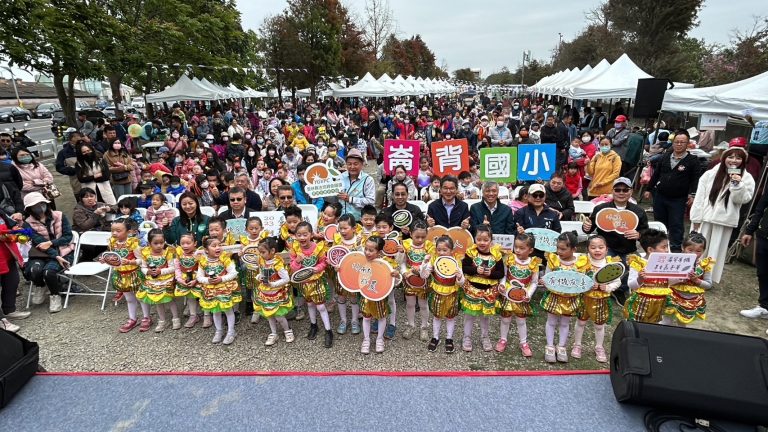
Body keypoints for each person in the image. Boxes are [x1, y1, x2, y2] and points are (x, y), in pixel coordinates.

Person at [691, 145, 754, 283]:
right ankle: (691, 275)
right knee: (698, 248)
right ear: (724, 158)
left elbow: (743, 200)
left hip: (724, 220)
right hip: (706, 218)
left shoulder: (747, 178)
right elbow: (700, 197)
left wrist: (737, 184)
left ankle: (708, 279)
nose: (734, 160)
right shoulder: (710, 174)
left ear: (743, 161)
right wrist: (696, 218)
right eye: (730, 157)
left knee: (715, 251)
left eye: (738, 158)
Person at [582, 177, 649, 302]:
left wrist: (639, 234)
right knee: (603, 263)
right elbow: (589, 228)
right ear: (612, 191)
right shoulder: (601, 209)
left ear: (631, 191)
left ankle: (620, 291)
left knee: (630, 266)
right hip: (607, 248)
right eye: (618, 190)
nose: (621, 193)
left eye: (625, 190)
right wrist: (586, 226)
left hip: (628, 248)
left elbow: (646, 232)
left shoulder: (638, 211)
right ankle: (601, 287)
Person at [644, 132, 702, 252]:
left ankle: (675, 248)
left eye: (682, 142)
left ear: (687, 144)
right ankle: (659, 246)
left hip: (678, 199)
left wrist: (693, 194)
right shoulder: (665, 156)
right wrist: (649, 189)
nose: (679, 144)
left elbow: (695, 179)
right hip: (660, 195)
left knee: (676, 224)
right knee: (660, 223)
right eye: (677, 142)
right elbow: (656, 174)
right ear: (673, 142)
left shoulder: (692, 160)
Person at [22, 192, 75, 313]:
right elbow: (39, 242)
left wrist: (51, 243)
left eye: (41, 203)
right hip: (40, 253)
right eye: (35, 205)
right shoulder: (27, 223)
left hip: (63, 251)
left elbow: (68, 236)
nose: (40, 207)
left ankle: (55, 296)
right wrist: (55, 255)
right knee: (34, 270)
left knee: (49, 272)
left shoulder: (60, 216)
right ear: (29, 209)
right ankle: (39, 285)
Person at [572, 235, 622, 363]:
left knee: (599, 325)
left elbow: (617, 282)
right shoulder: (583, 262)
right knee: (581, 322)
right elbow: (577, 278)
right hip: (585, 298)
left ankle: (599, 347)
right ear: (588, 249)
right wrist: (586, 285)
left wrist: (607, 287)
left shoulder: (611, 264)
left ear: (606, 249)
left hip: (601, 300)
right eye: (593, 247)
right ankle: (577, 345)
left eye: (601, 247)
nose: (597, 250)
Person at [541, 232, 584, 363]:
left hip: (570, 298)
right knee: (551, 321)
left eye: (563, 249)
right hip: (554, 296)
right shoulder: (553, 260)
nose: (559, 251)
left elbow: (582, 281)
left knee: (565, 323)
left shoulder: (581, 263)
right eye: (558, 248)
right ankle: (549, 345)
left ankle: (561, 346)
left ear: (574, 249)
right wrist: (544, 281)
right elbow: (547, 277)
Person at [461, 224, 504, 353]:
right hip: (472, 289)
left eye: (486, 240)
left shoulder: (496, 254)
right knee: (469, 316)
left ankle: (485, 337)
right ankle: (467, 337)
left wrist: (490, 273)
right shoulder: (471, 252)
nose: (482, 242)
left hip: (489, 291)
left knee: (485, 317)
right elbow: (464, 268)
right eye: (479, 239)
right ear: (475, 239)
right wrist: (475, 270)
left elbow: (501, 273)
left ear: (491, 240)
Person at [289, 221, 333, 348]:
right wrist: (297, 261)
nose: (302, 238)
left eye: (305, 234)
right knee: (309, 304)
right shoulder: (295, 248)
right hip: (304, 282)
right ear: (295, 236)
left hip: (316, 281)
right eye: (299, 235)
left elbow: (323, 262)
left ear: (311, 235)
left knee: (321, 306)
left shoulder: (318, 247)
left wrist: (317, 269)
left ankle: (328, 330)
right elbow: (293, 268)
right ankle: (313, 325)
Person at [102, 218, 149, 332]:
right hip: (121, 274)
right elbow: (113, 257)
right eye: (112, 230)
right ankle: (132, 318)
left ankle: (146, 317)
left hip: (133, 274)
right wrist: (105, 259)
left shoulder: (133, 244)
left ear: (128, 232)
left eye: (118, 231)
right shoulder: (112, 243)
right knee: (129, 298)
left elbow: (141, 260)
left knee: (141, 297)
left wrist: (130, 262)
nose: (114, 233)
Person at [420, 235, 465, 353]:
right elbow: (423, 275)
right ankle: (435, 337)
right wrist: (424, 263)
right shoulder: (434, 260)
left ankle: (449, 338)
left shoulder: (456, 261)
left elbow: (461, 283)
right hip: (437, 292)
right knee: (437, 316)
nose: (441, 252)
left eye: (445, 250)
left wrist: (459, 276)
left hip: (452, 293)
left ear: (451, 250)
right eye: (439, 250)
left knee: (451, 317)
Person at [496, 233, 539, 357]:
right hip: (507, 295)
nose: (518, 250)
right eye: (516, 247)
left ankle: (523, 343)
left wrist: (529, 294)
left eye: (522, 248)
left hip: (522, 297)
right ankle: (503, 339)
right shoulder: (509, 259)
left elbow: (535, 282)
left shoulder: (533, 263)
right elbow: (504, 275)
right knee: (505, 319)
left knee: (521, 321)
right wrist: (502, 285)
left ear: (530, 250)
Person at [197, 236, 241, 345]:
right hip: (211, 290)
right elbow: (199, 277)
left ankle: (231, 331)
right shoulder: (203, 261)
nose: (218, 248)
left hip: (224, 289)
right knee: (215, 312)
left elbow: (233, 273)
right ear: (206, 250)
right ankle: (219, 331)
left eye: (219, 245)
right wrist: (208, 280)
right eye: (214, 246)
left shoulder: (225, 259)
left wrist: (221, 278)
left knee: (228, 310)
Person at [663, 232, 712, 326]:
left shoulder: (704, 265)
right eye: (690, 250)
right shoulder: (675, 261)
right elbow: (666, 281)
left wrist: (697, 281)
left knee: (682, 323)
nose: (694, 254)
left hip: (691, 301)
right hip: (672, 295)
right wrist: (679, 279)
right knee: (666, 320)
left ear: (703, 251)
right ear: (683, 247)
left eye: (698, 251)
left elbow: (709, 285)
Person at [253, 237, 295, 345]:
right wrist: (259, 277)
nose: (261, 254)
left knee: (279, 316)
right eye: (260, 252)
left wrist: (273, 284)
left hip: (276, 293)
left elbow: (286, 279)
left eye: (263, 252)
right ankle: (273, 333)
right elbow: (260, 273)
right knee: (269, 315)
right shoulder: (262, 261)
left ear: (272, 251)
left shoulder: (277, 264)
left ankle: (287, 330)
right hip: (265, 293)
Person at [138, 229, 180, 333]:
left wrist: (160, 271)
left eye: (161, 243)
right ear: (149, 243)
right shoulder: (145, 252)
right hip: (152, 280)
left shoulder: (168, 252)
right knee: (157, 302)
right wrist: (147, 271)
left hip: (166, 280)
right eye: (155, 243)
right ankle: (162, 320)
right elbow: (142, 267)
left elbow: (172, 267)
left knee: (170, 300)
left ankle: (175, 318)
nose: (159, 246)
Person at [625, 229, 671, 324]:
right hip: (641, 303)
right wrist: (640, 279)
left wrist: (682, 276)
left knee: (655, 324)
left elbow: (670, 282)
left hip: (660, 302)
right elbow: (631, 285)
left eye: (667, 247)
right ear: (650, 250)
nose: (667, 250)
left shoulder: (668, 263)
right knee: (638, 325)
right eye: (663, 247)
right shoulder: (638, 263)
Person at [330, 214, 362, 336]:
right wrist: (334, 265)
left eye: (345, 228)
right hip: (340, 274)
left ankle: (354, 320)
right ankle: (343, 320)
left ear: (354, 228)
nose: (342, 231)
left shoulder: (359, 240)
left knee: (354, 298)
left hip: (354, 274)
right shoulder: (337, 239)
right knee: (341, 297)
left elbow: (362, 256)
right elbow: (333, 255)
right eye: (340, 228)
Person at [400, 219, 431, 341]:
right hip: (408, 279)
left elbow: (430, 264)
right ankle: (411, 325)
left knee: (423, 304)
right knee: (410, 303)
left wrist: (423, 271)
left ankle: (424, 327)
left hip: (423, 278)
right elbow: (401, 261)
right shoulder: (406, 244)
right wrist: (404, 272)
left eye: (423, 237)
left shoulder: (429, 246)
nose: (420, 240)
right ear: (411, 233)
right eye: (417, 236)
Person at [174, 232, 202, 328]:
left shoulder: (199, 254)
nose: (185, 246)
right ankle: (193, 315)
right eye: (182, 243)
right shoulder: (179, 254)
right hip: (185, 278)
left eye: (188, 243)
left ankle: (207, 315)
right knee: (190, 297)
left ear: (195, 243)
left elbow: (203, 268)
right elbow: (177, 268)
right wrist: (179, 279)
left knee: (205, 296)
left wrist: (197, 279)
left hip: (198, 278)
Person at [338, 149, 375, 220]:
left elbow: (371, 201)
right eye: (349, 164)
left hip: (360, 220)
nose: (352, 167)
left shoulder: (368, 180)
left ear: (361, 164)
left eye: (355, 164)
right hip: (342, 221)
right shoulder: (341, 177)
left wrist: (350, 199)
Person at [56, 131, 84, 198]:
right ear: (70, 139)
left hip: (92, 181)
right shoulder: (63, 152)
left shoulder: (86, 148)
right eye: (75, 136)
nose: (78, 138)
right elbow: (59, 167)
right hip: (77, 183)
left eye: (79, 136)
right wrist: (72, 170)